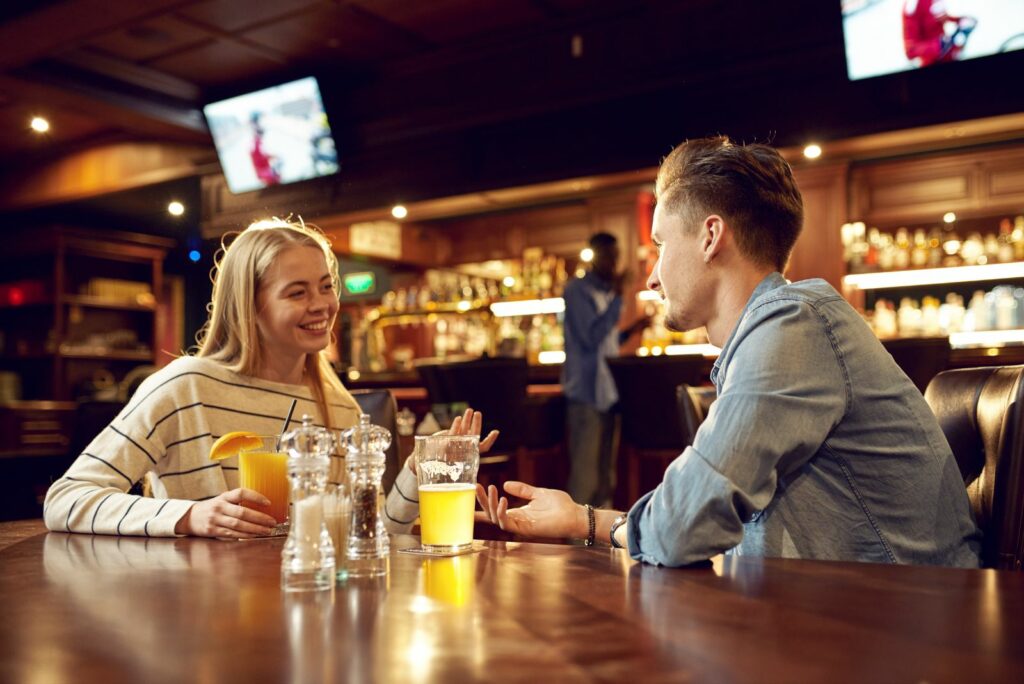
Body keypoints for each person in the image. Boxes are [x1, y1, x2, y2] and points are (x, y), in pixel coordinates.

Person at [477, 136, 981, 567]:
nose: (651, 276)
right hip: (846, 618)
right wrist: (583, 520)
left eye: (659, 246)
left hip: (908, 635)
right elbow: (694, 520)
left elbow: (681, 525)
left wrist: (596, 526)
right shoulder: (776, 331)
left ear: (710, 236)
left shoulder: (792, 325)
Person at [44, 218, 492, 538]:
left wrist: (418, 471)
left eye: (325, 285)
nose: (322, 305)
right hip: (198, 617)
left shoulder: (338, 406)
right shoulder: (185, 388)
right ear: (249, 307)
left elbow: (371, 534)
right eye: (297, 292)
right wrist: (189, 517)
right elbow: (65, 499)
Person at [562, 232, 647, 507]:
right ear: (595, 256)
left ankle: (600, 546)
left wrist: (633, 330)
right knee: (585, 480)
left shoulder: (605, 292)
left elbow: (606, 343)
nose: (614, 263)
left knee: (606, 480)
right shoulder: (577, 290)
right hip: (586, 395)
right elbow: (590, 337)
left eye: (616, 256)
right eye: (609, 256)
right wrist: (619, 296)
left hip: (608, 394)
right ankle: (578, 547)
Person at [903, 0, 976, 67]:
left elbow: (942, 19)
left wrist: (961, 21)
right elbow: (911, 51)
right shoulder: (912, 5)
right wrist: (939, 45)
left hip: (949, 58)